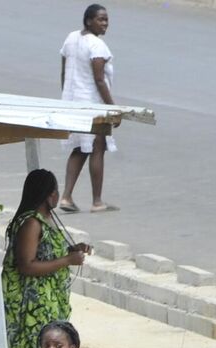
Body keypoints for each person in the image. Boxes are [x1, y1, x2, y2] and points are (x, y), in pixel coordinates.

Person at [2, 171, 89, 348]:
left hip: (51, 301)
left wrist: (72, 250)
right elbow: (27, 265)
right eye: (56, 191)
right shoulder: (31, 223)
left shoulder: (46, 219)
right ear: (50, 195)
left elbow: (46, 252)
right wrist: (68, 260)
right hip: (35, 304)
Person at [58, 4, 119, 213]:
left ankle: (66, 197)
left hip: (73, 101)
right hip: (92, 104)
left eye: (106, 20)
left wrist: (65, 98)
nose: (105, 24)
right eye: (100, 19)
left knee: (80, 148)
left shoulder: (71, 38)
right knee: (97, 146)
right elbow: (99, 80)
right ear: (88, 21)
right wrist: (113, 110)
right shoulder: (97, 46)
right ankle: (97, 201)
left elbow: (64, 72)